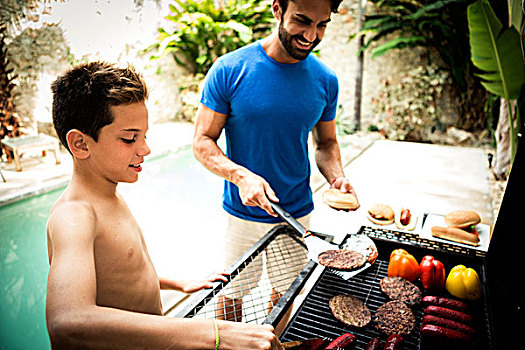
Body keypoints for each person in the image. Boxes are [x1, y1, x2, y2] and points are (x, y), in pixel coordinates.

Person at [46, 61, 280, 349]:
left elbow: (118, 275)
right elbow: (67, 321)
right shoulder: (75, 216)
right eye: (129, 138)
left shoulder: (109, 196)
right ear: (81, 144)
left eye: (144, 136)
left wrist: (176, 283)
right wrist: (214, 333)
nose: (145, 150)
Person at [193, 0, 359, 330]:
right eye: (302, 21)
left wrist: (337, 178)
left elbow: (326, 144)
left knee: (285, 295)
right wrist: (239, 175)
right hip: (242, 214)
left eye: (322, 25)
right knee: (231, 295)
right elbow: (202, 142)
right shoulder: (229, 69)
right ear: (277, 9)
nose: (311, 35)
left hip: (297, 212)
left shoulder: (326, 80)